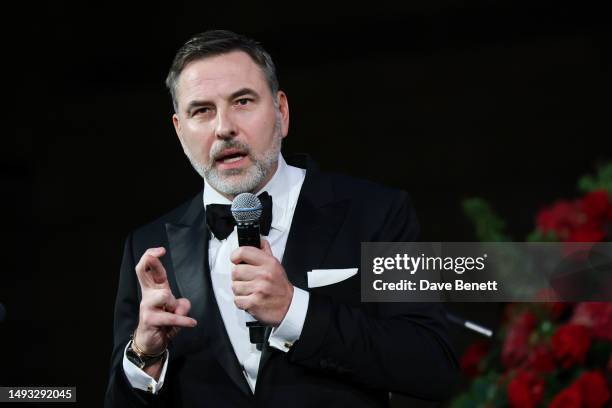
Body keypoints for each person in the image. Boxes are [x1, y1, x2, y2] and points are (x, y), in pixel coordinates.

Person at [104, 30, 459, 407]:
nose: (224, 127)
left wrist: (294, 311)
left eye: (242, 101)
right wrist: (145, 355)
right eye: (202, 110)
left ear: (281, 112)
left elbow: (432, 365)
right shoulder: (147, 245)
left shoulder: (376, 213)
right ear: (179, 131)